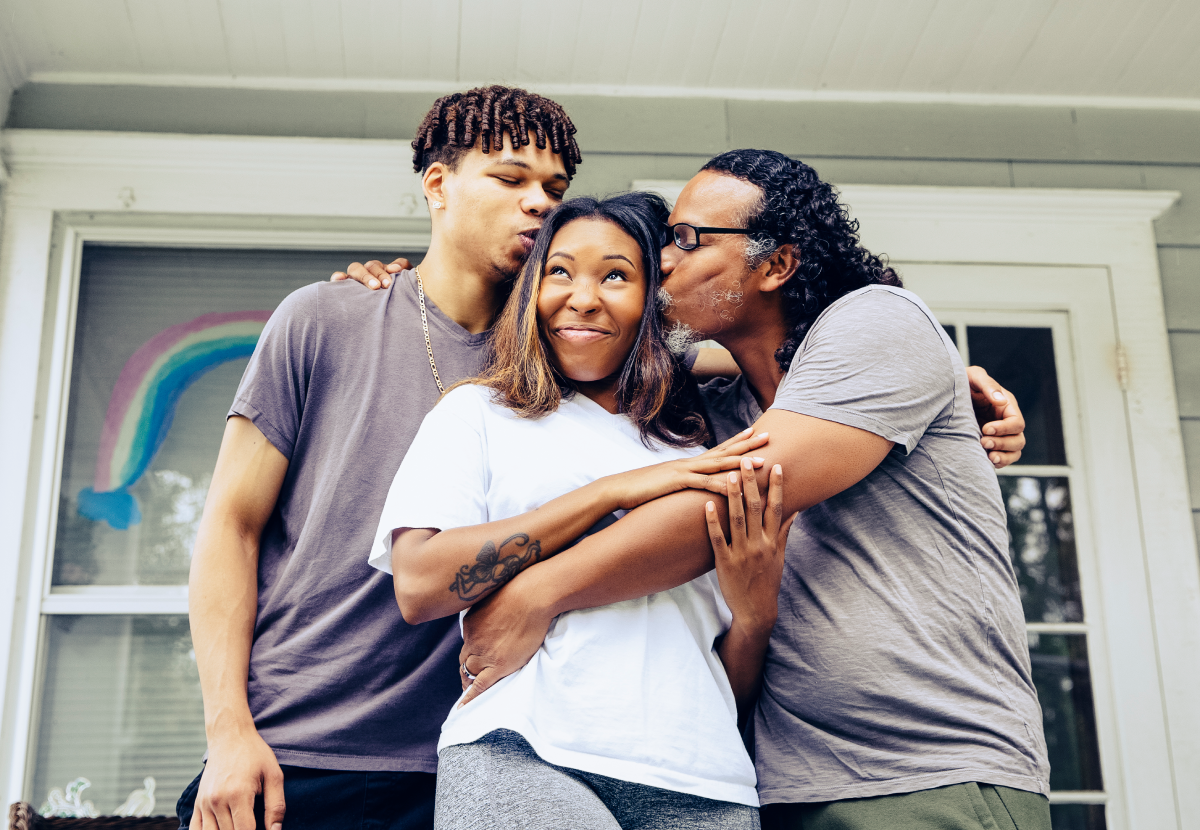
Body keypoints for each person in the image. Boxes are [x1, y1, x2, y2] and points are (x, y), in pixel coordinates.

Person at [427, 151, 1053, 830]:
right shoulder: (710, 410)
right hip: (775, 782)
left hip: (928, 772)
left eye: (689, 239)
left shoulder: (878, 322)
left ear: (777, 265)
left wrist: (536, 592)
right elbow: (577, 334)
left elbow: (728, 500)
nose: (663, 259)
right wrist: (402, 290)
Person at [181, 86, 582, 830]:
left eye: (555, 189)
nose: (540, 204)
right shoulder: (323, 318)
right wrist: (229, 732)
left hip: (472, 768)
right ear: (437, 185)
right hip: (292, 752)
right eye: (511, 177)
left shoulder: (566, 363)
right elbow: (229, 530)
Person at [371, 192, 787, 829]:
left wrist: (756, 615)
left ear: (655, 298)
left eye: (616, 275)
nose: (583, 297)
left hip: (706, 778)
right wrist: (610, 492)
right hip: (526, 753)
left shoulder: (698, 442)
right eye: (558, 271)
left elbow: (712, 666)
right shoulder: (479, 413)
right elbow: (420, 584)